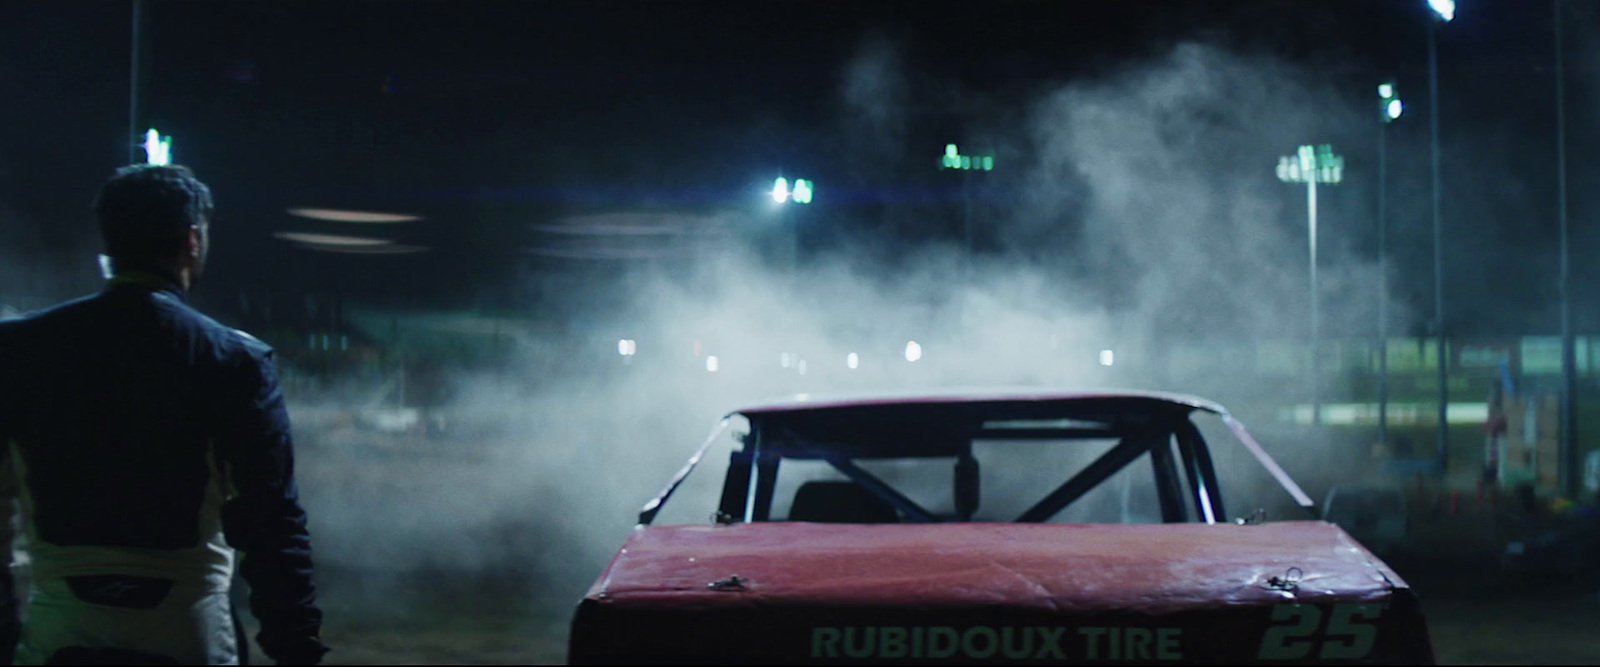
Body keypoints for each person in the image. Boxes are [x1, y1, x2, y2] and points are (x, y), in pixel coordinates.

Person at [0, 164, 328, 664]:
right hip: (187, 630)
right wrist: (296, 647)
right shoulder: (233, 358)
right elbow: (273, 521)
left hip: (59, 626)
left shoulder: (19, 348)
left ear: (109, 239)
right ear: (192, 240)